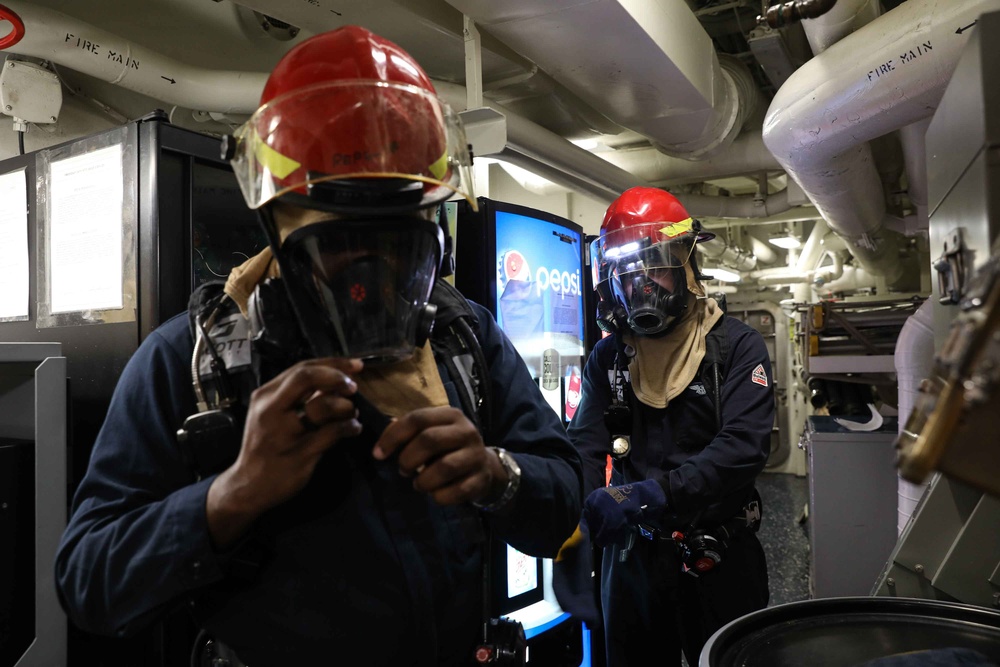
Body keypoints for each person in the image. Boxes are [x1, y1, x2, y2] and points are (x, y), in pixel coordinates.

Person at [54, 26, 582, 667]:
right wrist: (236, 492)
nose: (372, 284)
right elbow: (88, 585)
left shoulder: (461, 337)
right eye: (336, 247)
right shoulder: (194, 363)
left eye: (399, 249)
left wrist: (498, 476)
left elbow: (564, 496)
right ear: (276, 226)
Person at [564, 186, 772, 666]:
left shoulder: (736, 347)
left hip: (718, 552)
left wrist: (652, 495)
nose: (643, 286)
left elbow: (742, 448)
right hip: (635, 555)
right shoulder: (610, 355)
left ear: (685, 264)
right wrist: (571, 526)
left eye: (656, 265)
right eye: (628, 273)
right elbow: (587, 446)